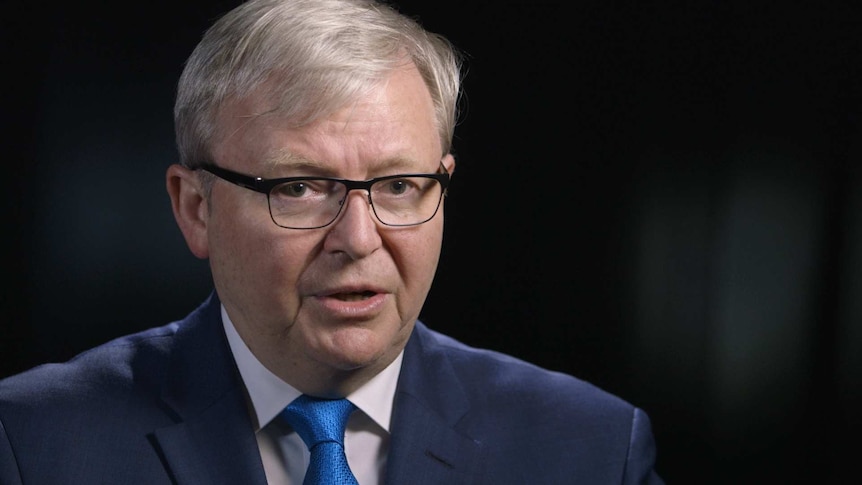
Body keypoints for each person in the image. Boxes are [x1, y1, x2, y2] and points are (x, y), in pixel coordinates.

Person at [0, 0, 664, 483]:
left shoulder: (591, 448)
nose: (357, 238)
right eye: (300, 188)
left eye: (400, 185)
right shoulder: (32, 443)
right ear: (195, 208)